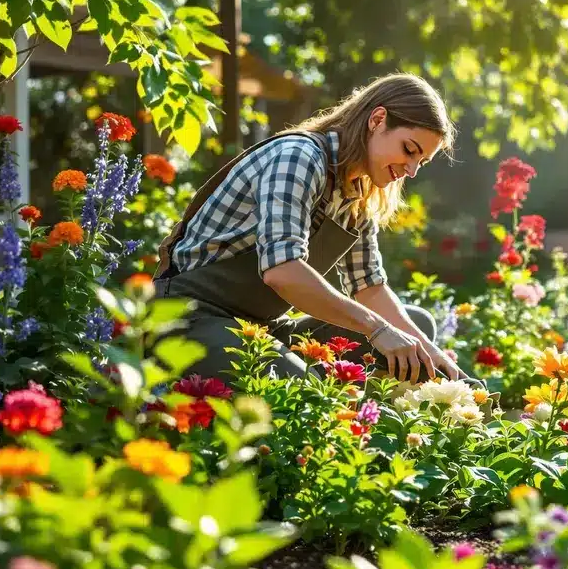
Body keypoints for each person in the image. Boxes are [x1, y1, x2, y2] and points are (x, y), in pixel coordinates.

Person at [152, 73, 470, 384]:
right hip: (192, 316)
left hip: (263, 327)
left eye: (422, 162)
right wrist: (377, 328)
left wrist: (430, 353)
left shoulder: (359, 193)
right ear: (377, 120)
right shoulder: (299, 158)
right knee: (307, 392)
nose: (412, 170)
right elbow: (282, 271)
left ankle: (377, 410)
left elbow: (369, 286)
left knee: (417, 331)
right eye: (409, 150)